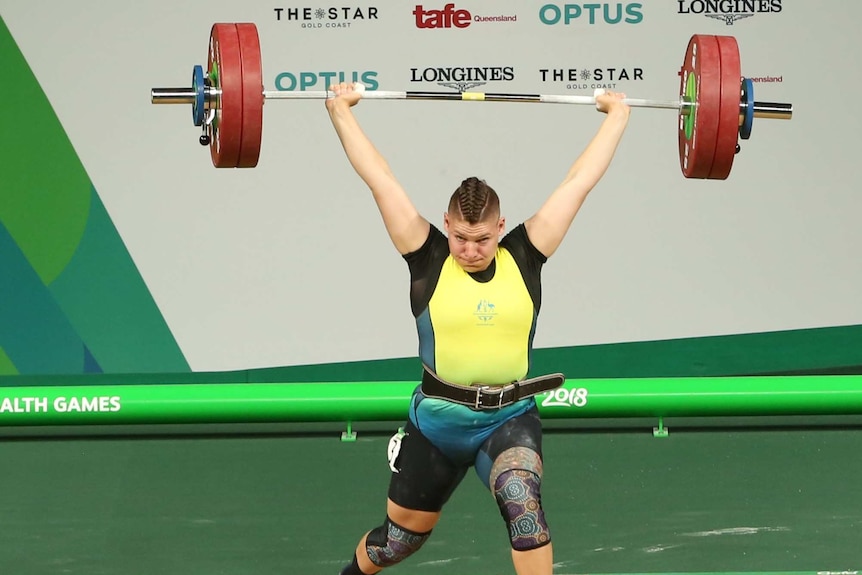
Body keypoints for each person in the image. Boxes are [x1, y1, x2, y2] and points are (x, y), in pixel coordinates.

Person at [325, 82, 630, 575]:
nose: (470, 249)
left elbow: (577, 182)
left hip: (508, 419)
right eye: (460, 237)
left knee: (523, 507)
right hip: (438, 426)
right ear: (446, 224)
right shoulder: (427, 259)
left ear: (500, 226)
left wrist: (616, 115)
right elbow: (380, 179)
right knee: (396, 543)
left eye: (482, 239)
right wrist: (340, 110)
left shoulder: (525, 256)